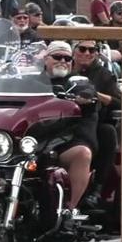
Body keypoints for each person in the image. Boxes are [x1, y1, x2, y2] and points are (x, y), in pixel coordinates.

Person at [42, 41, 97, 221]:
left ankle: (68, 211)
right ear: (45, 59)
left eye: (67, 58)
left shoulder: (76, 81)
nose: (62, 61)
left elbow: (87, 91)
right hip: (33, 139)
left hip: (66, 139)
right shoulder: (31, 80)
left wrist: (84, 97)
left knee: (82, 154)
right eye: (57, 57)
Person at [71, 39, 120, 208]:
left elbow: (119, 102)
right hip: (61, 122)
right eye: (82, 49)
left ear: (97, 54)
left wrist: (95, 94)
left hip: (92, 122)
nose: (86, 53)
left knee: (108, 133)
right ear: (74, 50)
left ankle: (97, 189)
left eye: (91, 50)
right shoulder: (63, 69)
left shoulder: (103, 75)